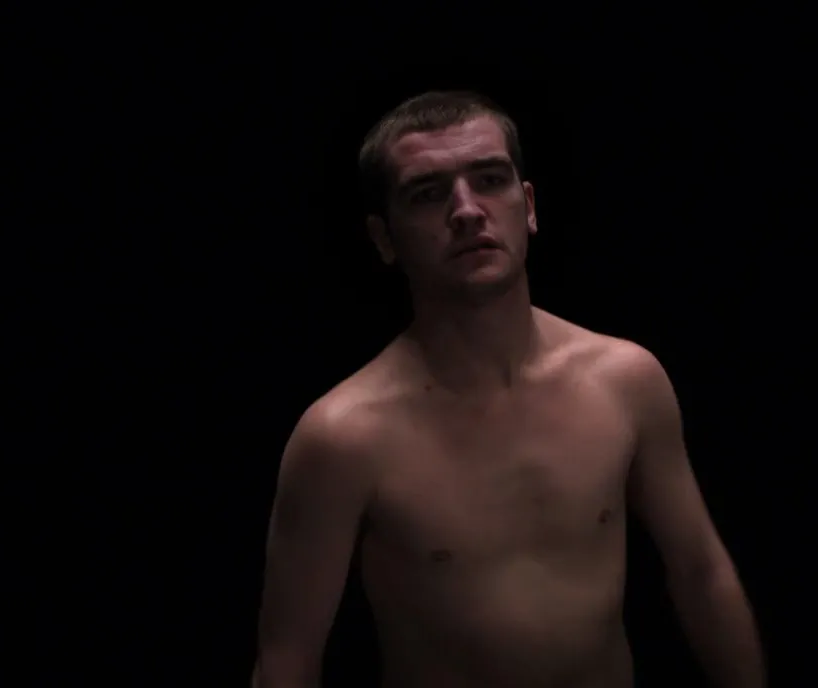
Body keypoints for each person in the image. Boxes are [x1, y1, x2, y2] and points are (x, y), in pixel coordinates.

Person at [251, 91, 766, 688]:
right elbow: (287, 660)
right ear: (384, 238)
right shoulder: (345, 437)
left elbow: (701, 572)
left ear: (529, 206)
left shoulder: (625, 381)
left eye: (490, 180)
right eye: (428, 193)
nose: (467, 210)